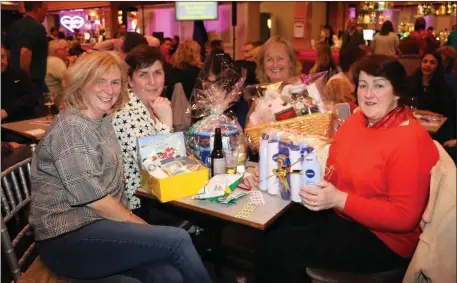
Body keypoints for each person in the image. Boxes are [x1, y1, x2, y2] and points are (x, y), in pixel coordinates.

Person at [29, 51, 212, 283]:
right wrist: (144, 228)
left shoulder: (101, 119)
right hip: (66, 238)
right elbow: (96, 200)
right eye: (100, 81)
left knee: (169, 275)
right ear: (82, 82)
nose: (109, 90)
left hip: (98, 227)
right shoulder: (72, 129)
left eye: (115, 82)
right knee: (177, 239)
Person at [254, 55, 439, 283]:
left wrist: (339, 200)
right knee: (273, 226)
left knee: (280, 247)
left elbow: (404, 218)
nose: (368, 94)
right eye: (363, 85)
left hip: (384, 241)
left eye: (379, 85)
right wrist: (275, 170)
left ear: (397, 93)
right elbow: (330, 167)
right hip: (347, 217)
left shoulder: (411, 140)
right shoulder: (357, 121)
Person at [111, 45, 173, 211]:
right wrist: (166, 122)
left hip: (158, 195)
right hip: (140, 204)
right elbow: (158, 167)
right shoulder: (126, 113)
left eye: (157, 73)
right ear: (130, 80)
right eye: (143, 75)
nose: (152, 82)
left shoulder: (152, 105)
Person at [411, 52, 456, 144]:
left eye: (432, 62)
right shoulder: (412, 83)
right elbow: (406, 107)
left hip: (436, 132)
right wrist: (426, 112)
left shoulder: (444, 88)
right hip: (414, 127)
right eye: (425, 61)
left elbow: (444, 115)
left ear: (437, 66)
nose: (427, 65)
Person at [4, 1, 48, 93]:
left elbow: (6, 50)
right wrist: (26, 79)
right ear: (37, 9)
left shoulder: (15, 25)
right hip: (33, 80)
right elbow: (25, 53)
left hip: (15, 78)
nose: (46, 13)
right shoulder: (37, 27)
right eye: (45, 10)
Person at [1, 44, 38, 123]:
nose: (1, 62)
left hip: (19, 121)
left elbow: (32, 96)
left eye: (2, 57)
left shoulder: (17, 74)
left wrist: (7, 111)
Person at [45, 40, 77, 106]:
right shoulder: (55, 61)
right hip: (57, 103)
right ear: (56, 51)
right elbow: (69, 80)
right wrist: (72, 63)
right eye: (64, 48)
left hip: (47, 99)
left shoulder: (47, 60)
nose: (68, 50)